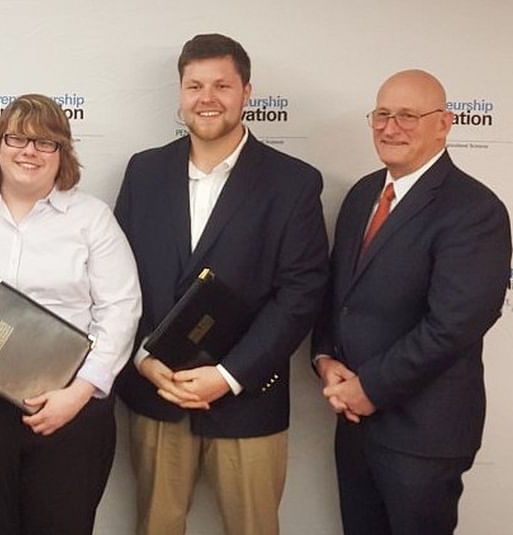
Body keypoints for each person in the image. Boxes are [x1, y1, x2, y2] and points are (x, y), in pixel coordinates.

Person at [114, 34, 329, 535]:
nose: (206, 98)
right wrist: (144, 361)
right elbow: (119, 279)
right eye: (194, 85)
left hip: (247, 399)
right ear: (180, 93)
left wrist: (230, 374)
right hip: (157, 394)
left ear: (246, 93)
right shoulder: (144, 171)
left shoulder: (293, 182)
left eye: (221, 85)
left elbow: (301, 294)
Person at [0, 93, 141, 535]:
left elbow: (121, 310)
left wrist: (78, 393)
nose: (29, 151)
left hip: (68, 412)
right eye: (16, 138)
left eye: (45, 142)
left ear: (62, 153)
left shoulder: (92, 220)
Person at [312, 69, 511, 535]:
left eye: (407, 115)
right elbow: (339, 296)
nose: (390, 127)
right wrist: (324, 357)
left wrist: (370, 388)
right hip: (355, 428)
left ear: (445, 123)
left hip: (424, 436)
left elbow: (454, 325)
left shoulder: (474, 210)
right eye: (382, 115)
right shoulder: (363, 194)